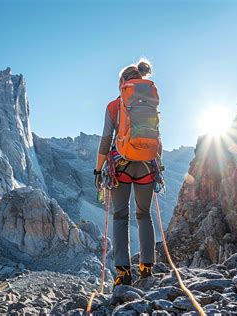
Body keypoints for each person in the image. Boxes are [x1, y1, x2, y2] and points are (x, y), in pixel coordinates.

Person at [94, 59, 159, 287]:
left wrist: (98, 168)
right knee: (144, 214)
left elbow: (105, 140)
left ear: (123, 82)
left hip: (121, 166)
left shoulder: (114, 105)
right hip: (147, 165)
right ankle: (146, 268)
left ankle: (123, 273)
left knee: (120, 216)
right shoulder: (150, 101)